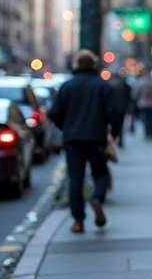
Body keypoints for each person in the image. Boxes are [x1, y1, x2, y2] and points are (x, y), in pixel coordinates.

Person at [49, 50, 120, 233]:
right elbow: (114, 112)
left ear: (76, 64)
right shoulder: (103, 86)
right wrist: (115, 133)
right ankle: (96, 199)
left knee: (75, 178)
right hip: (95, 138)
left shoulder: (66, 87)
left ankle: (78, 221)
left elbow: (54, 113)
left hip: (72, 139)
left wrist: (67, 127)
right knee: (101, 172)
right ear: (94, 64)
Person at [106, 72, 132, 147]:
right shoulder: (123, 84)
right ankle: (119, 138)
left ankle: (114, 136)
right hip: (122, 107)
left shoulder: (109, 83)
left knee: (112, 124)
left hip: (112, 108)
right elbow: (129, 96)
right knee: (120, 124)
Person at [132, 72, 152, 140]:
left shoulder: (139, 83)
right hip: (151, 103)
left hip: (142, 103)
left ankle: (147, 132)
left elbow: (135, 94)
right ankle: (151, 132)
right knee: (151, 118)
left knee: (144, 117)